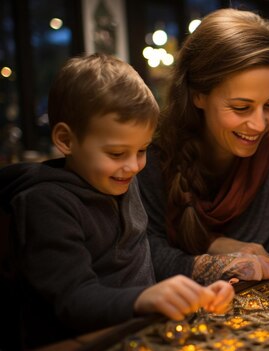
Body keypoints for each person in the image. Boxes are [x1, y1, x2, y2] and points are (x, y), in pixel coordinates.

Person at [0, 53, 235, 349]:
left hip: (138, 334)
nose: (135, 166)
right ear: (66, 140)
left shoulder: (121, 179)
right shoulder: (45, 204)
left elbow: (140, 261)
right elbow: (73, 301)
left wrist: (196, 292)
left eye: (142, 150)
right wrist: (144, 299)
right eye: (116, 153)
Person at [138, 8, 269, 285]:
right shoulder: (149, 157)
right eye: (241, 107)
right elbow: (141, 255)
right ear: (198, 95)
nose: (259, 124)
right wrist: (215, 250)